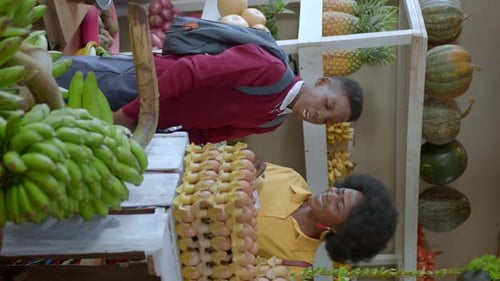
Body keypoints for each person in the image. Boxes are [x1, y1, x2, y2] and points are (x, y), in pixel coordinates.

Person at [56, 43, 364, 144]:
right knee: (47, 82)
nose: (318, 115)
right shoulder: (269, 69)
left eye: (326, 120)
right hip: (135, 84)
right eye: (327, 105)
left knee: (48, 127)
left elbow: (204, 134)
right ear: (322, 82)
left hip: (140, 123)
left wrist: (152, 137)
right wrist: (134, 112)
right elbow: (189, 71)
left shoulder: (273, 122)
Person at [255, 162, 398, 276]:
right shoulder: (290, 177)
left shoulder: (294, 264)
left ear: (339, 230)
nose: (331, 194)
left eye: (338, 205)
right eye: (339, 191)